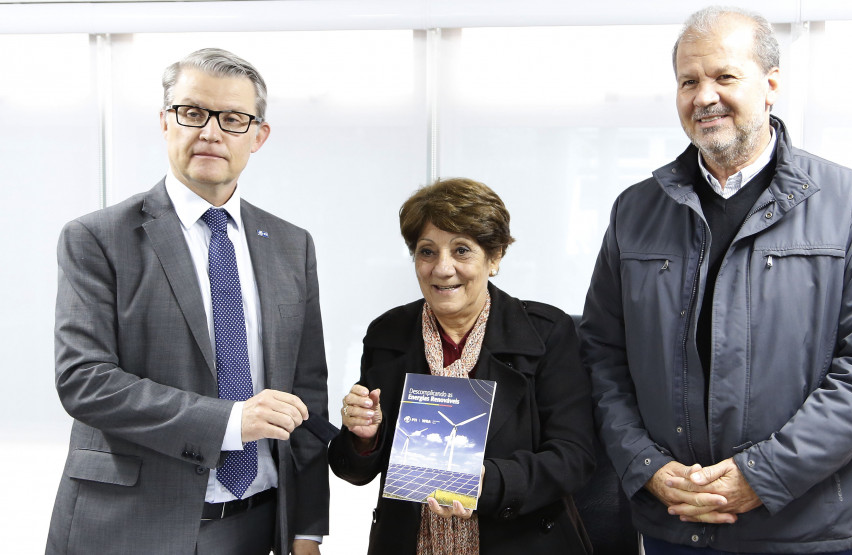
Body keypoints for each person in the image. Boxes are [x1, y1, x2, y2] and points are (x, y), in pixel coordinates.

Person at [581, 6, 852, 555]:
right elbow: (602, 357)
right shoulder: (636, 210)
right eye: (688, 81)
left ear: (771, 84)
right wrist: (649, 468)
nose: (704, 96)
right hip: (673, 526)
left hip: (803, 532)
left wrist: (762, 475)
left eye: (724, 76)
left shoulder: (850, 203)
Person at [46, 48, 329, 555]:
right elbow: (83, 381)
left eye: (234, 119)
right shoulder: (98, 237)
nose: (211, 132)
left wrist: (306, 528)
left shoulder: (292, 244)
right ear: (165, 122)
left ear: (258, 135)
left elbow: (306, 396)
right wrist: (229, 421)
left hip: (258, 523)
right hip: (130, 525)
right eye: (193, 113)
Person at [328, 178, 595, 554]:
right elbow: (356, 471)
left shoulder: (545, 333)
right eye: (427, 252)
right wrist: (363, 437)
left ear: (495, 256)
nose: (442, 268)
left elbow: (575, 457)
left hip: (520, 541)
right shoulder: (387, 334)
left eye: (462, 250)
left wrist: (490, 482)